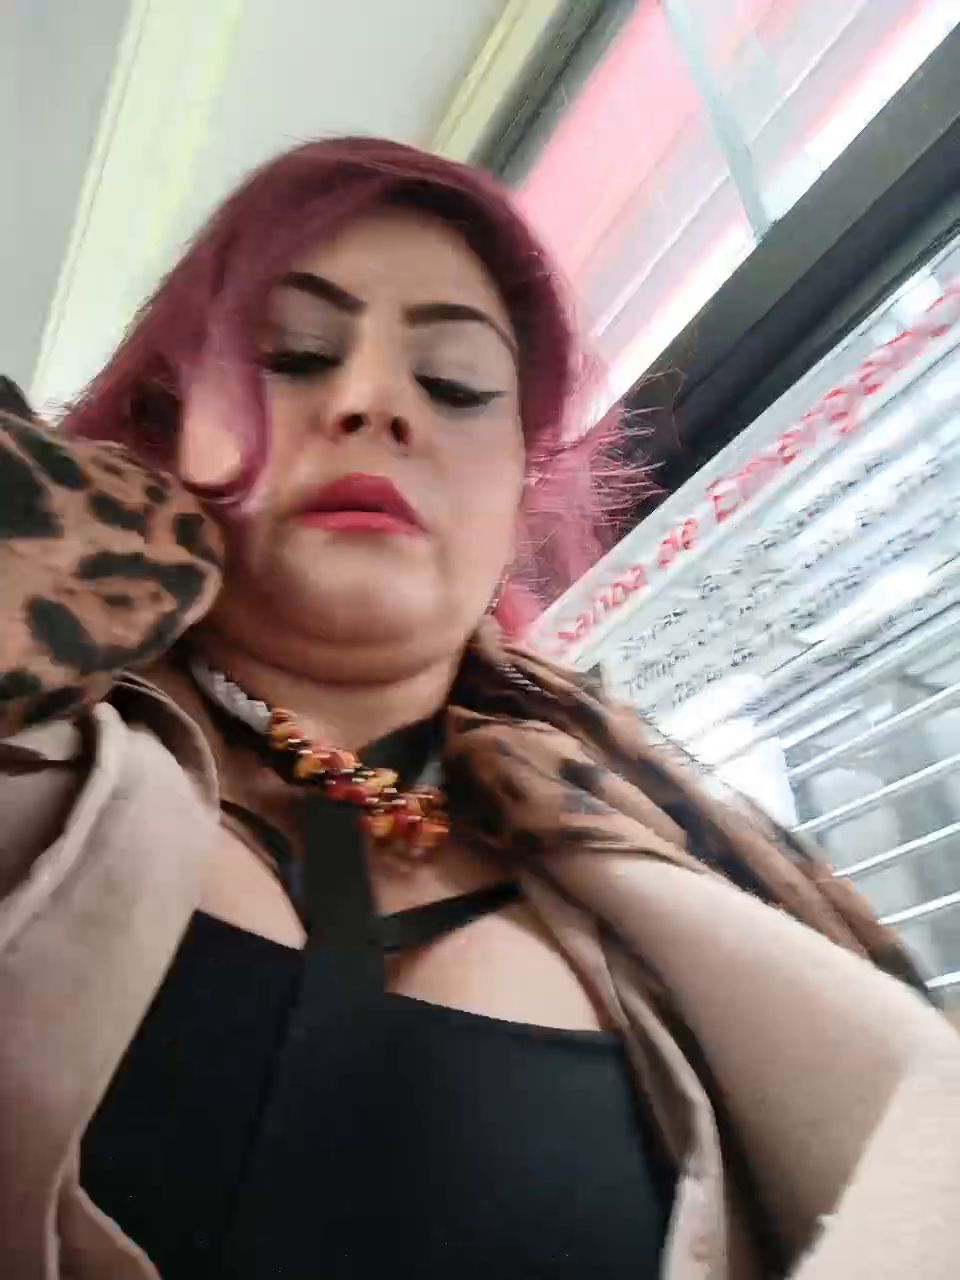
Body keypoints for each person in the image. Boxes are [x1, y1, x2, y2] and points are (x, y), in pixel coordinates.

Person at [0, 137, 957, 1280]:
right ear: (170, 424)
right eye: (295, 354)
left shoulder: (668, 886)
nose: (372, 402)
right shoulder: (34, 742)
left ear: (516, 487)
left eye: (454, 383)